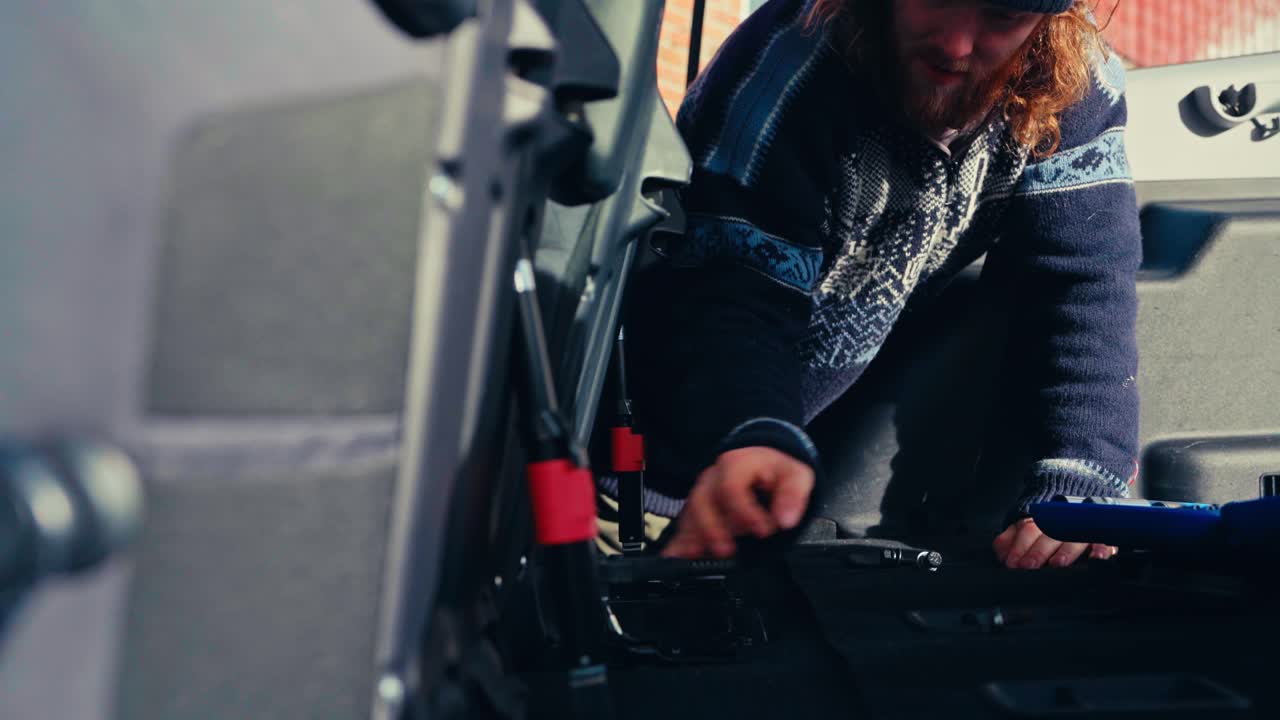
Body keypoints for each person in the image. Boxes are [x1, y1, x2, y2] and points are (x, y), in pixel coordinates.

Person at [606, 0, 1142, 569]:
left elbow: (1085, 280)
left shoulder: (1071, 80)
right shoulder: (788, 68)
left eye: (1002, 16)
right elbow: (732, 292)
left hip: (796, 463)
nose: (956, 46)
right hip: (652, 471)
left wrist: (1083, 477)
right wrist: (754, 432)